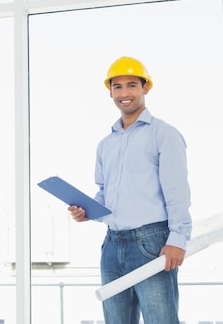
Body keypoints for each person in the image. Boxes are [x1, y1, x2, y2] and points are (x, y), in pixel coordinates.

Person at [68, 56, 192, 324]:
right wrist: (87, 211)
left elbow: (177, 191)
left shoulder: (163, 134)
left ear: (145, 88)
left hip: (152, 243)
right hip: (112, 245)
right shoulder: (105, 144)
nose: (125, 93)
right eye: (118, 87)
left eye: (132, 85)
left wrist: (177, 239)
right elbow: (104, 195)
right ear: (110, 92)